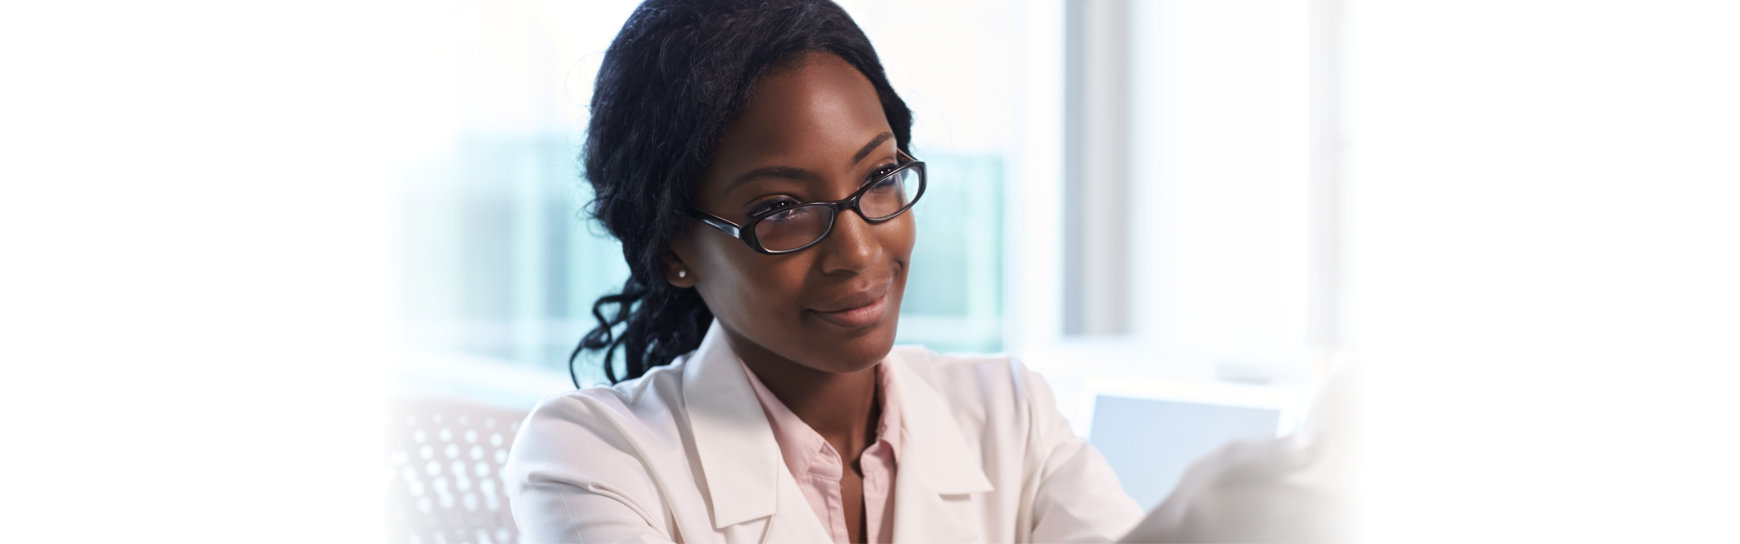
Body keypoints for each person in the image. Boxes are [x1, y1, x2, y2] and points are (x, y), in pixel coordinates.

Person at [504, 1, 1341, 542]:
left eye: (878, 179)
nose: (860, 252)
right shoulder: (591, 458)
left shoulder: (1007, 416)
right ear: (672, 250)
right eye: (781, 211)